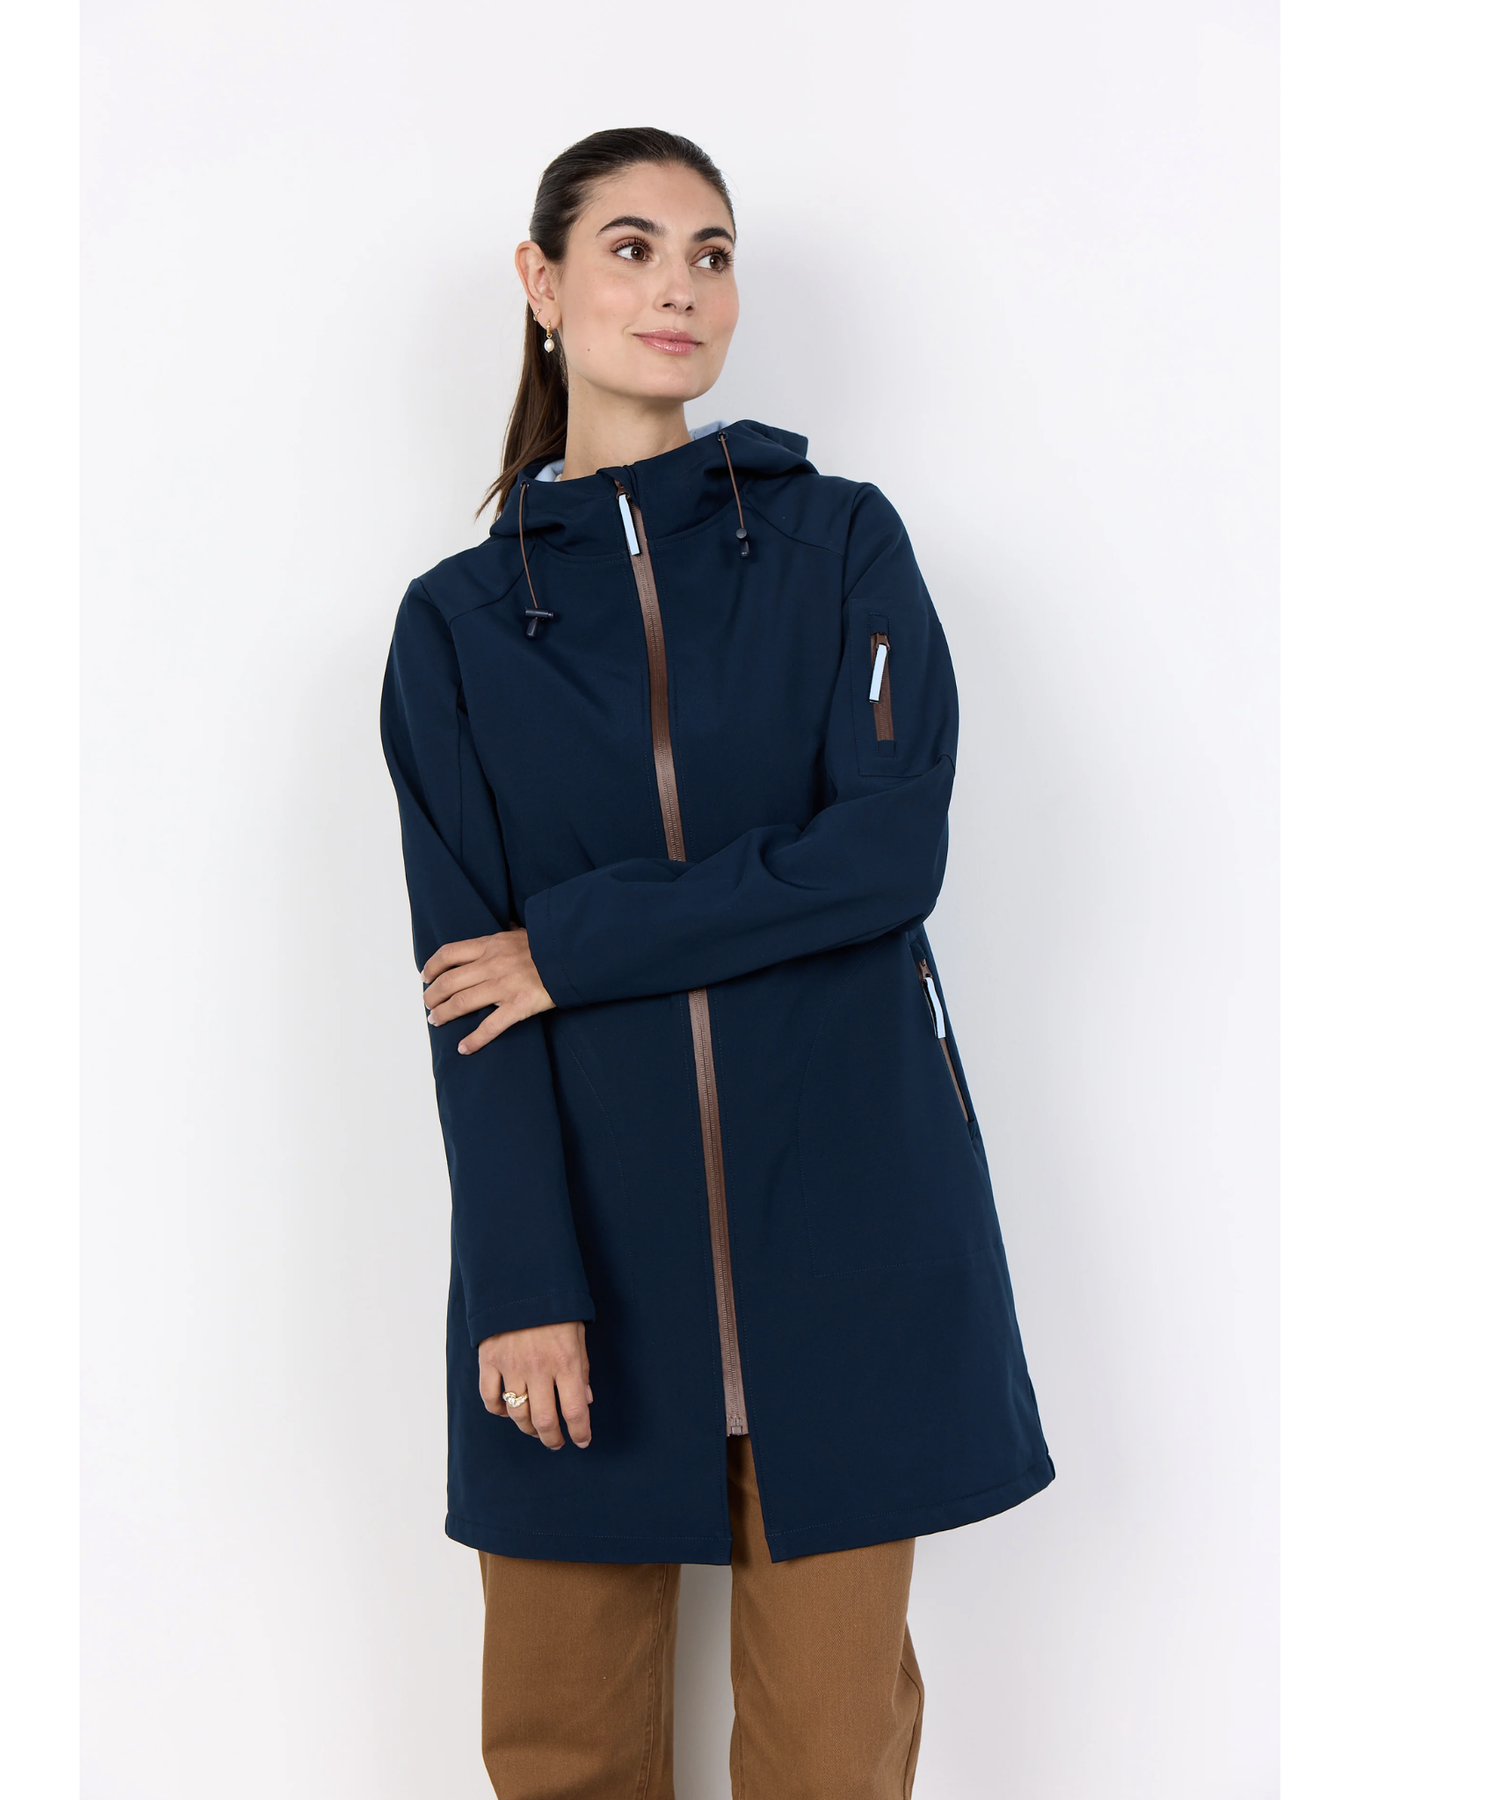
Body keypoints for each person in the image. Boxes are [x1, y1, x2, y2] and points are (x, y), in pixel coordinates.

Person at [379, 125, 1054, 1800]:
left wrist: (574, 941)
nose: (679, 287)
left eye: (712, 253)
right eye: (631, 247)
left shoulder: (841, 546)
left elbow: (884, 858)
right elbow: (470, 996)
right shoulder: (458, 627)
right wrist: (523, 1283)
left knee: (833, 1759)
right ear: (541, 283)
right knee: (563, 1757)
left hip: (852, 1254)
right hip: (585, 1267)